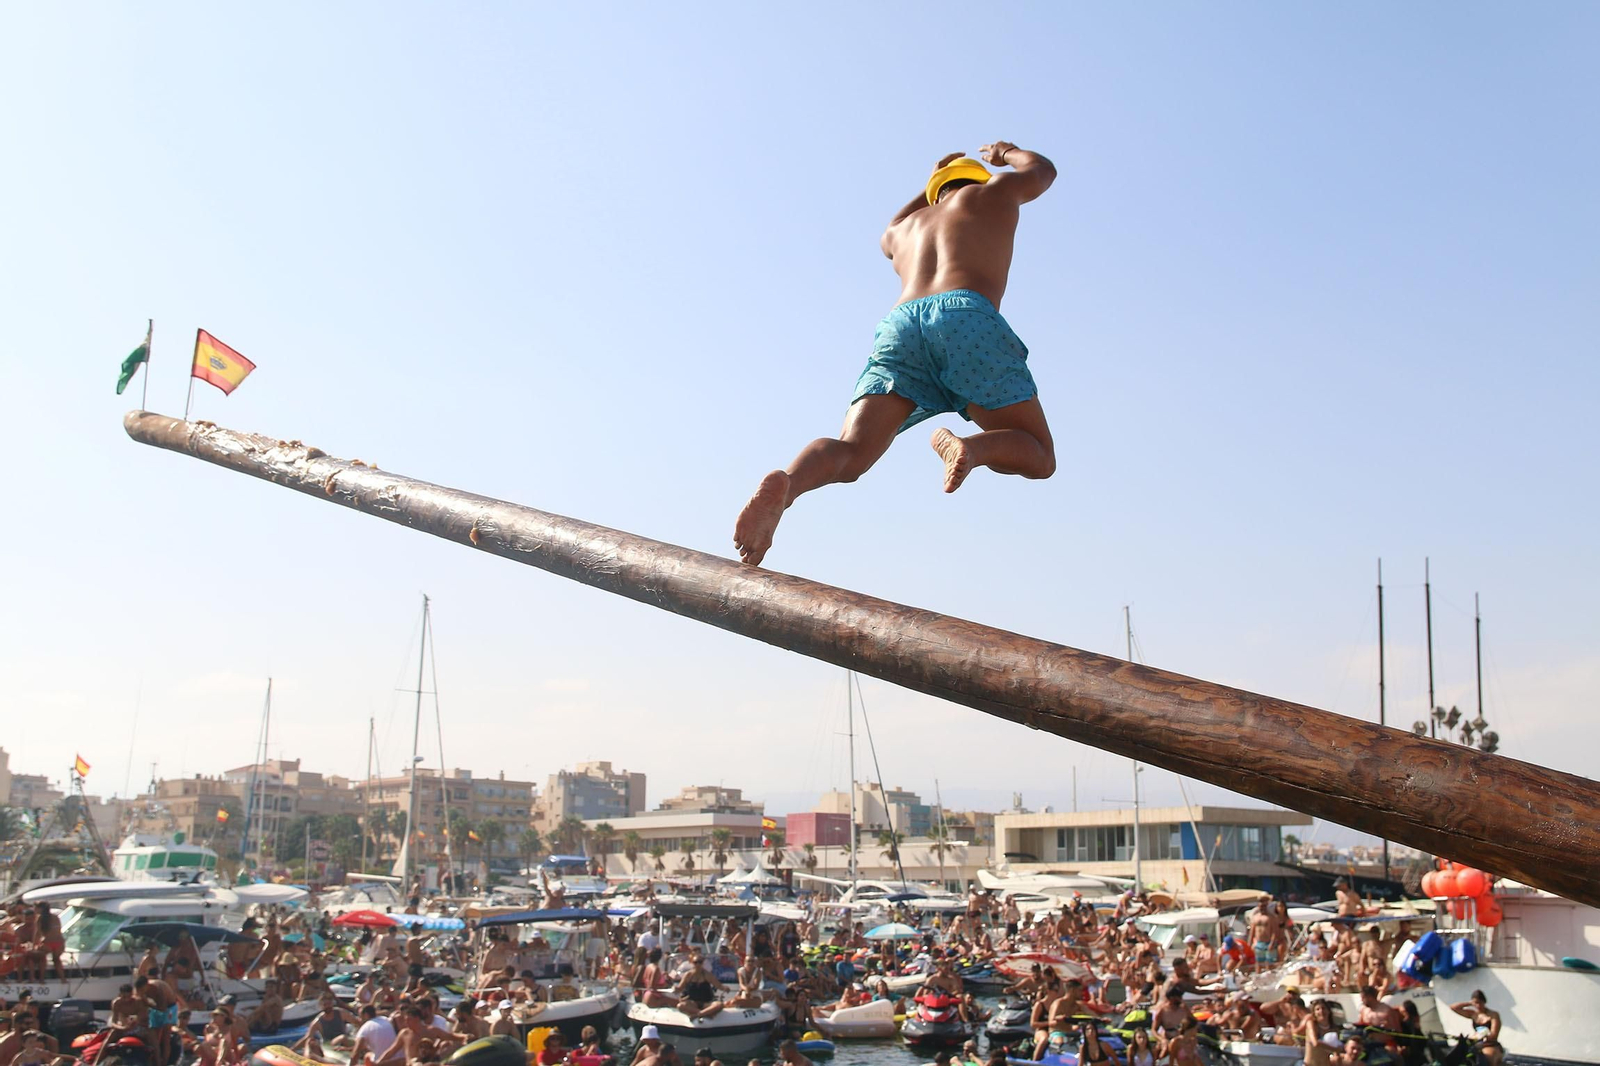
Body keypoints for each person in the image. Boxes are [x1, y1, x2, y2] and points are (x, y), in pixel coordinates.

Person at [734, 142, 1059, 566]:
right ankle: (972, 450)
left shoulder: (905, 230)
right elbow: (1043, 171)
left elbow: (891, 226)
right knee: (1038, 453)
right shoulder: (992, 193)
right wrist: (1005, 151)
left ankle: (789, 483)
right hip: (964, 315)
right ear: (973, 182)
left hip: (900, 324)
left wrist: (931, 178)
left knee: (851, 452)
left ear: (934, 190)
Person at [1450, 991, 1503, 1066]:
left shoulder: (1493, 1015)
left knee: (1487, 1059)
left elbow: (1494, 1035)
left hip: (1490, 1044)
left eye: (1480, 1003)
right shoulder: (1473, 1014)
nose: (1478, 1005)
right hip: (1476, 1043)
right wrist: (1469, 1003)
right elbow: (1453, 1007)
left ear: (1484, 1002)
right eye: (1476, 1003)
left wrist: (1481, 1035)